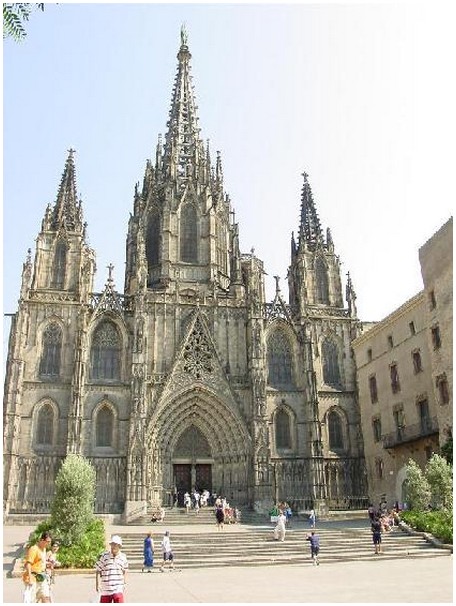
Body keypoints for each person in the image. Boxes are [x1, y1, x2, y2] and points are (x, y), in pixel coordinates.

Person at [95, 534, 128, 603]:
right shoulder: (104, 556)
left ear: (119, 546)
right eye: (112, 544)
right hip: (105, 589)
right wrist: (97, 584)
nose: (113, 546)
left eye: (115, 545)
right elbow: (98, 570)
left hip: (118, 588)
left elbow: (125, 571)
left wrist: (124, 583)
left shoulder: (123, 557)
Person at [23, 531, 52, 603]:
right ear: (42, 540)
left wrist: (47, 564)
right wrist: (29, 577)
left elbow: (40, 562)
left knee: (46, 597)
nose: (49, 544)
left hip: (42, 577)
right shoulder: (34, 549)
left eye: (50, 542)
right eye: (47, 541)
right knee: (31, 601)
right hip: (33, 578)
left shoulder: (44, 549)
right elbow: (28, 564)